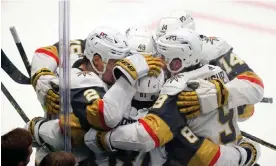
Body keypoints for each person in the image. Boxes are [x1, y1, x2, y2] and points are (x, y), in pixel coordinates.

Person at [88, 28, 261, 166]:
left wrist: (105, 139)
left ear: (179, 62)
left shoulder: (177, 88)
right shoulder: (217, 72)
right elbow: (248, 109)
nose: (159, 62)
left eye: (164, 58)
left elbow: (146, 135)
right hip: (231, 149)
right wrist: (247, 153)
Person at [27, 26, 164, 165]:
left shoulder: (83, 55)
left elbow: (45, 52)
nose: (121, 67)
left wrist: (40, 74)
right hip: (64, 159)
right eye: (116, 62)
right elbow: (105, 117)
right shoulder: (83, 81)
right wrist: (128, 75)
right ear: (98, 61)